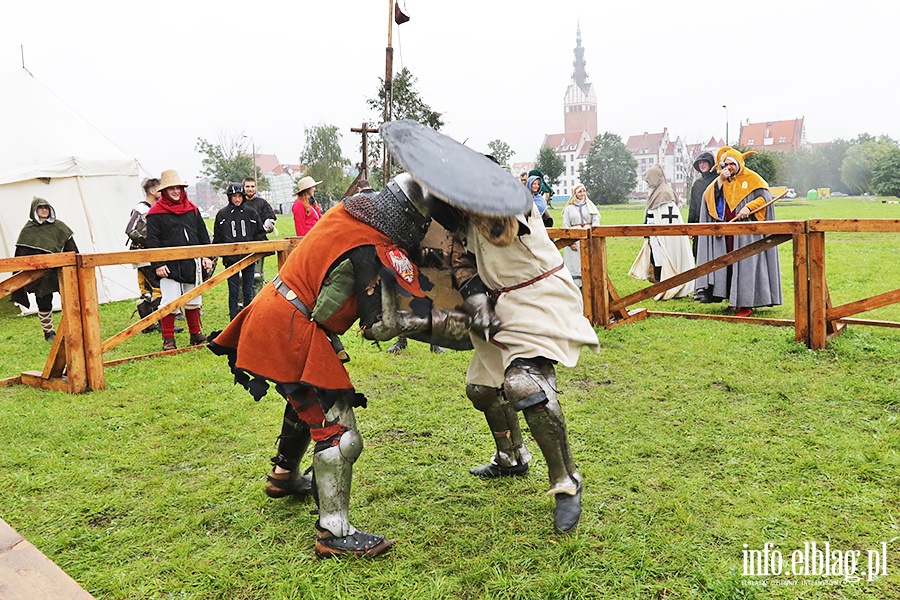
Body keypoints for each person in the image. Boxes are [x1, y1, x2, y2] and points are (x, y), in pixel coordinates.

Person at [209, 171, 473, 558]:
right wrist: (455, 329)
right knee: (339, 431)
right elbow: (381, 325)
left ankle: (283, 474)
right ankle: (334, 532)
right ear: (411, 215)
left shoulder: (351, 215)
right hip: (289, 326)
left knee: (306, 400)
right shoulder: (370, 241)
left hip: (277, 313)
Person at [434, 155, 599, 534]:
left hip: (540, 298)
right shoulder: (463, 219)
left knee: (524, 384)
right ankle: (511, 457)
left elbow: (502, 225)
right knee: (482, 390)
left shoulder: (513, 204)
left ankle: (566, 481)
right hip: (499, 304)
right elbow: (462, 263)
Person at [694, 147, 783, 316]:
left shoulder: (753, 179)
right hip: (727, 233)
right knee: (728, 265)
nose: (728, 168)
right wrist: (720, 180)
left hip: (746, 233)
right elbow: (709, 198)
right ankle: (733, 300)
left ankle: (746, 304)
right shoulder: (722, 180)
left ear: (739, 163)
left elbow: (765, 198)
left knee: (745, 264)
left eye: (731, 164)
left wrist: (749, 207)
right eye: (725, 164)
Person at [146, 169, 214, 350]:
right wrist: (158, 264)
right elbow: (153, 241)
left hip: (192, 262)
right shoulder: (155, 213)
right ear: (164, 192)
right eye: (171, 189)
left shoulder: (192, 210)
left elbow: (202, 235)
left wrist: (206, 256)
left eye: (178, 188)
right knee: (169, 300)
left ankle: (195, 334)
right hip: (168, 265)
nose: (176, 192)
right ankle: (169, 339)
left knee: (194, 299)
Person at [11, 197, 78, 341]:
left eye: (46, 207)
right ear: (34, 211)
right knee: (43, 300)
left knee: (71, 298)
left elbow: (72, 249)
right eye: (40, 208)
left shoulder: (60, 227)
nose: (44, 210)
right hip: (40, 274)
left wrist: (74, 265)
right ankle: (49, 332)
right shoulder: (28, 231)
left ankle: (74, 327)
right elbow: (20, 255)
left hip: (61, 270)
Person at [628, 164, 694, 299]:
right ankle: (660, 285)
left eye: (648, 179)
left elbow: (667, 217)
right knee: (656, 259)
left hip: (663, 235)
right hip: (654, 234)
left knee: (663, 259)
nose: (647, 182)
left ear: (654, 178)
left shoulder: (664, 193)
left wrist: (658, 232)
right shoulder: (656, 191)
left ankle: (667, 287)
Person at [213, 183, 266, 320]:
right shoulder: (222, 214)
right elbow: (218, 237)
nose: (237, 199)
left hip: (248, 258)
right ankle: (233, 319)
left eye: (239, 196)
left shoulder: (251, 213)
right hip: (231, 259)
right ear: (229, 197)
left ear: (243, 197)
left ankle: (248, 318)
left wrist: (260, 250)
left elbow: (259, 234)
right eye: (234, 196)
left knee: (248, 289)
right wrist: (215, 254)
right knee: (234, 290)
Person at [124, 177, 167, 333]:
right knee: (158, 288)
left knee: (147, 291)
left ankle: (147, 325)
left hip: (146, 255)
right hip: (144, 255)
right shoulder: (141, 209)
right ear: (153, 191)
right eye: (160, 190)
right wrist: (149, 243)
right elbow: (130, 230)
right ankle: (162, 323)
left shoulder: (152, 208)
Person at [561, 184, 600, 289]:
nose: (582, 193)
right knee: (574, 262)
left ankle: (588, 285)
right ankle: (575, 286)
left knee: (588, 261)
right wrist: (570, 242)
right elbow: (565, 225)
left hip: (588, 238)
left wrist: (594, 236)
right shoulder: (569, 209)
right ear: (575, 194)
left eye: (584, 191)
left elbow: (595, 221)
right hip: (574, 239)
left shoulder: (590, 206)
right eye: (579, 191)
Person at [242, 177, 276, 294]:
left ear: (256, 188)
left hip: (259, 243)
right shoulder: (239, 203)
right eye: (247, 186)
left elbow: (270, 217)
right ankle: (241, 304)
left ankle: (257, 300)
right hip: (242, 245)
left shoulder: (262, 203)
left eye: (252, 186)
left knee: (257, 276)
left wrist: (267, 225)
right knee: (241, 276)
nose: (250, 189)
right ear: (243, 187)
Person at [689, 152, 717, 261]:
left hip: (715, 222)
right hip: (699, 222)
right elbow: (693, 206)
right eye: (700, 163)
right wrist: (690, 227)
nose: (702, 165)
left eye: (705, 162)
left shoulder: (719, 180)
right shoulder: (697, 184)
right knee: (699, 254)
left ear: (711, 164)